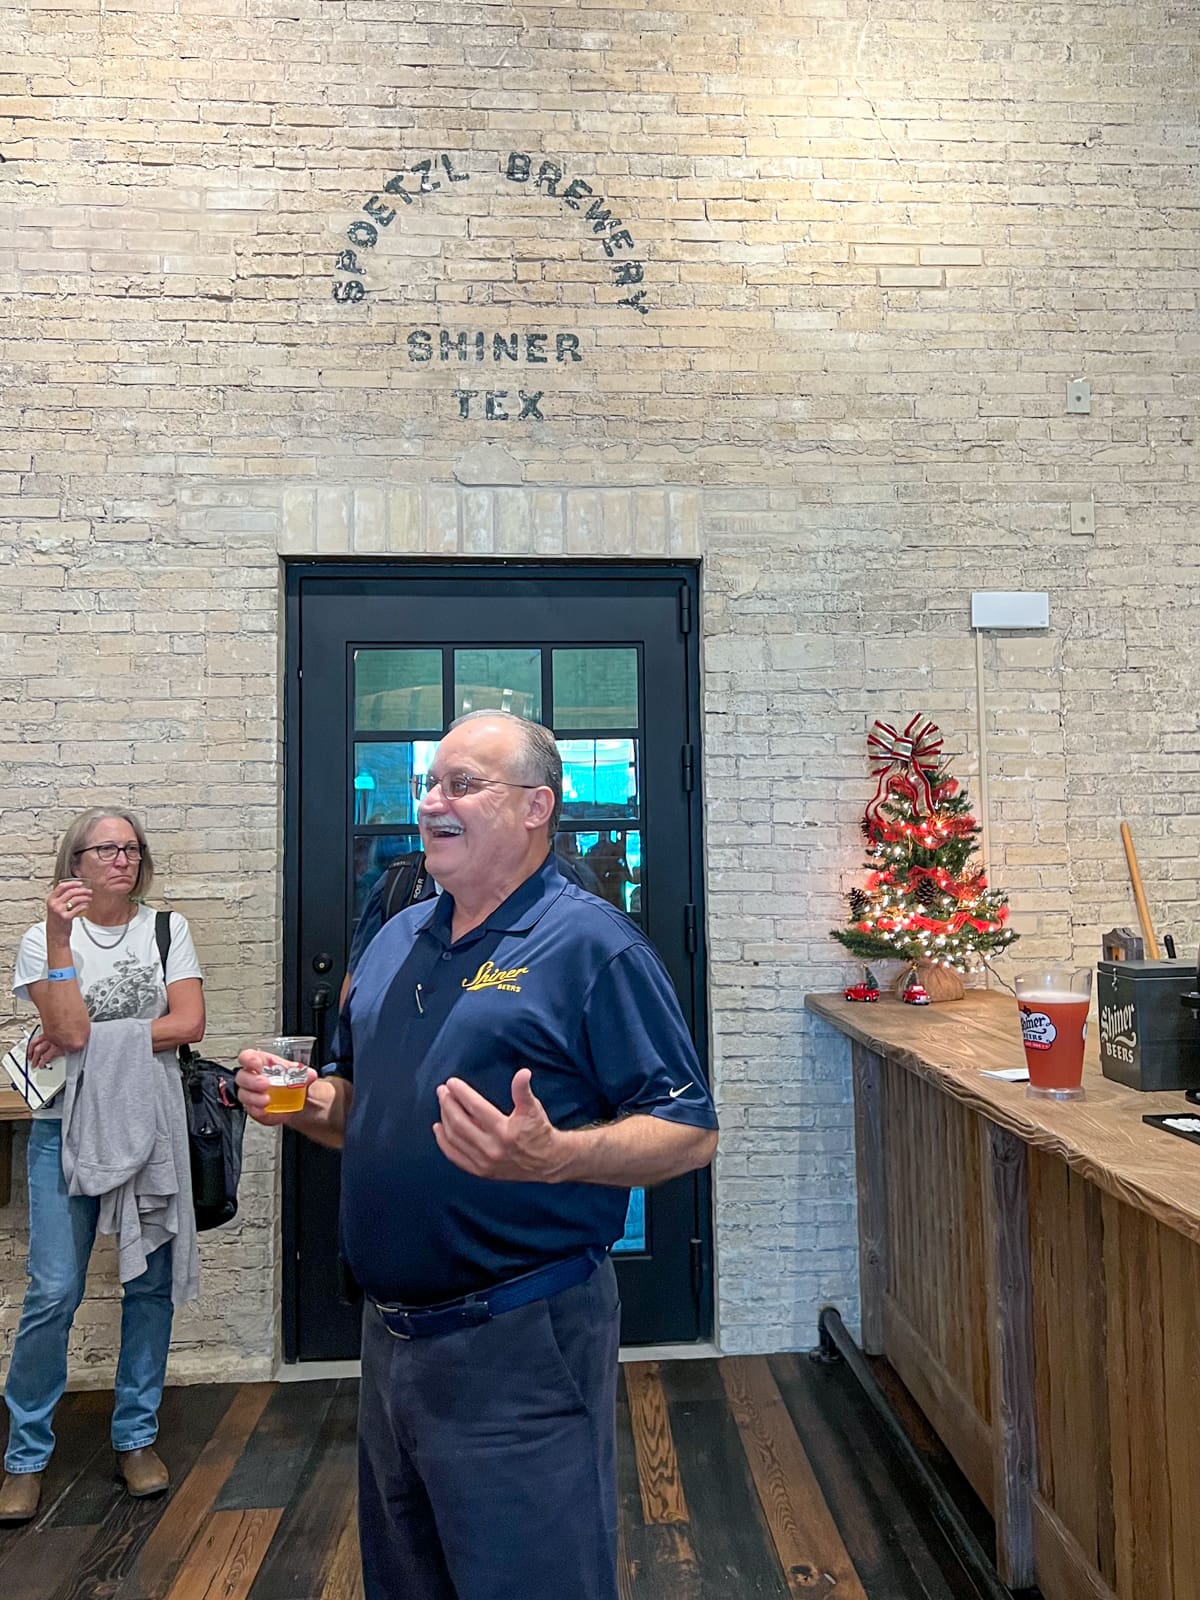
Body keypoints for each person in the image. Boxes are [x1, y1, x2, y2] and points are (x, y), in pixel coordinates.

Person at [237, 711, 718, 1600]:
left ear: (538, 806)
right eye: (430, 785)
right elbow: (362, 1108)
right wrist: (298, 1096)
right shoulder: (396, 938)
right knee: (408, 1580)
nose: (431, 804)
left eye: (463, 785)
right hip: (388, 1342)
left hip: (520, 1340)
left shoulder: (593, 946)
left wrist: (553, 1156)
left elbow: (689, 1130)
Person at [0, 808, 205, 1524]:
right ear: (75, 862)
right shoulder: (41, 939)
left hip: (150, 1128)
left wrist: (93, 1036)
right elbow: (62, 1030)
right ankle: (24, 1455)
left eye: (130, 848)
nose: (121, 859)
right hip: (65, 1132)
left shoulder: (165, 930)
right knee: (53, 1293)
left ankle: (136, 1437)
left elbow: (189, 1024)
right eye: (105, 849)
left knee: (149, 1285)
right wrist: (60, 937)